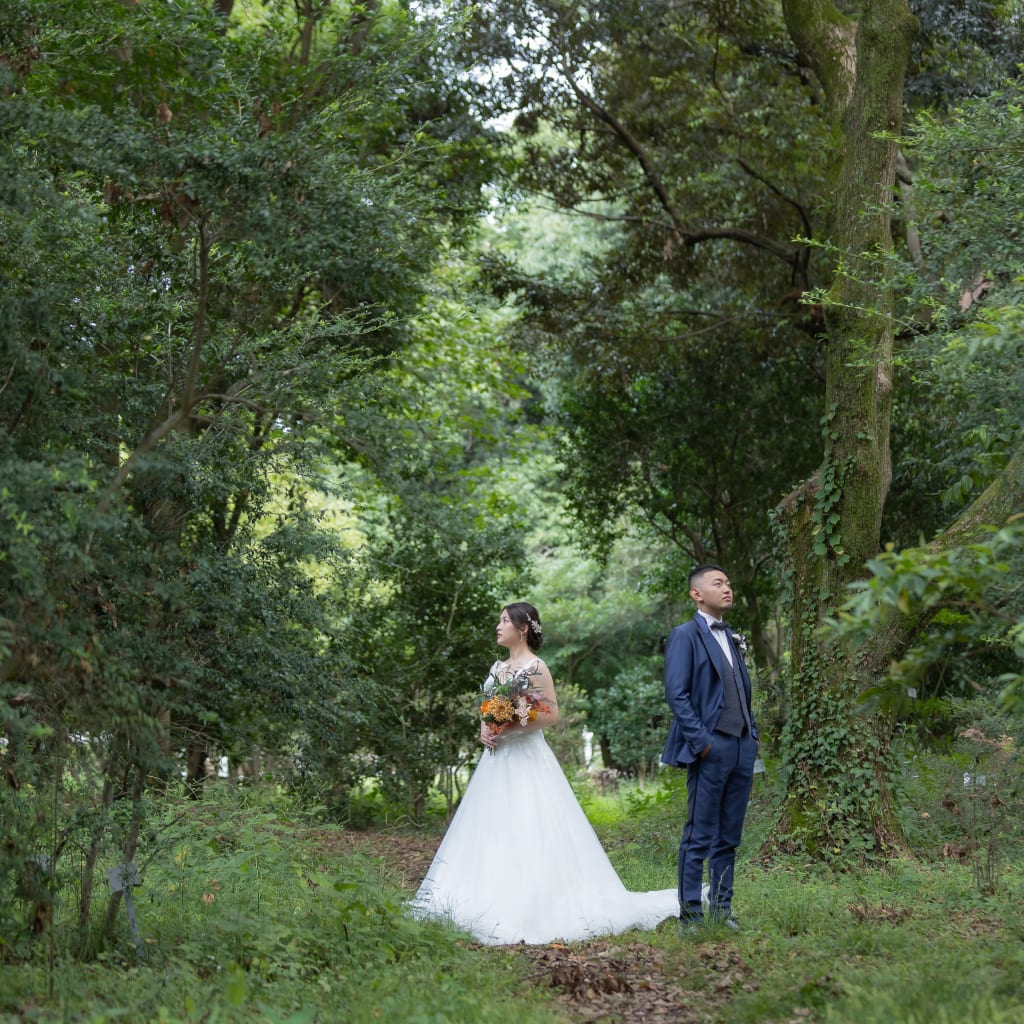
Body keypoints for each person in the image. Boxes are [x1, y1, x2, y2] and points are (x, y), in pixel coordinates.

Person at [411, 601, 678, 945]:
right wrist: (486, 727)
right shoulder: (496, 668)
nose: (498, 626)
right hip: (496, 761)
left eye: (504, 620)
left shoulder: (537, 667)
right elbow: (487, 708)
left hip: (526, 758)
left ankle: (535, 901)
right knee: (490, 828)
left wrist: (512, 722)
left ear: (522, 628)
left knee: (529, 823)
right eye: (499, 620)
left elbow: (550, 714)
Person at [662, 565, 758, 932]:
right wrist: (701, 742)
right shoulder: (685, 636)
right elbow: (677, 693)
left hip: (742, 746)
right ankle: (691, 915)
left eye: (729, 582)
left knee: (729, 835)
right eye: (718, 583)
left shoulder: (731, 636)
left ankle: (721, 909)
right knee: (698, 833)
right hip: (710, 747)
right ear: (697, 594)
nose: (727, 587)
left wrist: (752, 736)